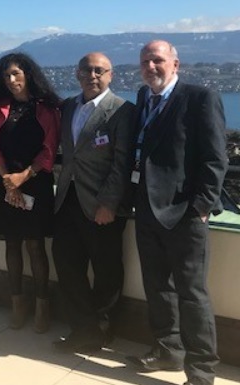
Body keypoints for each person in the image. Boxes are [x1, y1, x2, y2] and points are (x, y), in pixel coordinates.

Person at [126, 40, 227, 385]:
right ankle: (167, 350)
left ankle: (201, 373)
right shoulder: (143, 97)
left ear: (175, 64)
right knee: (157, 288)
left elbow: (216, 159)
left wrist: (201, 207)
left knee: (192, 294)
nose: (150, 67)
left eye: (157, 60)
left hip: (185, 215)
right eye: (144, 62)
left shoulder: (200, 98)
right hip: (147, 211)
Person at [52, 52, 135, 352]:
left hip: (102, 204)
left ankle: (103, 328)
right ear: (77, 74)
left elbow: (122, 163)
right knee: (66, 264)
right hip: (67, 200)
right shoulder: (69, 106)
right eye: (87, 70)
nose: (93, 75)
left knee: (107, 268)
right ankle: (83, 328)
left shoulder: (122, 111)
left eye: (100, 70)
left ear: (111, 75)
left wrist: (109, 203)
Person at [0, 52, 60, 333]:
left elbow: (50, 150)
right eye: (6, 75)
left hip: (36, 183)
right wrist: (8, 180)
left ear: (28, 74)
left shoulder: (47, 109)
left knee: (36, 246)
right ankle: (18, 303)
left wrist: (23, 177)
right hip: (4, 184)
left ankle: (43, 305)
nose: (12, 80)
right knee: (12, 244)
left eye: (16, 73)